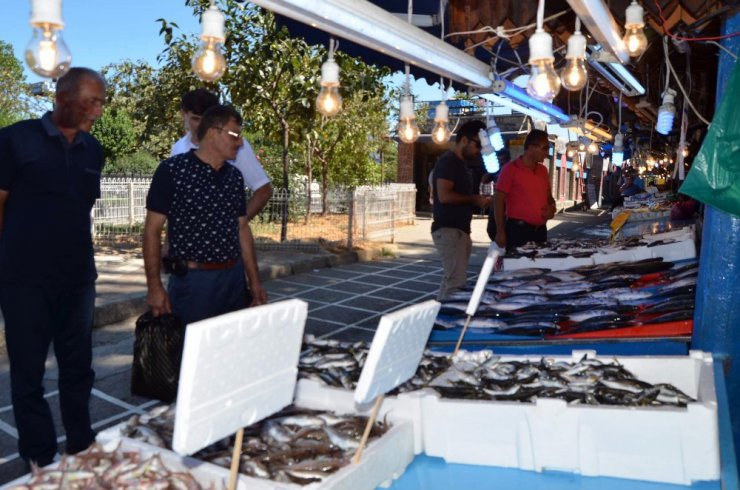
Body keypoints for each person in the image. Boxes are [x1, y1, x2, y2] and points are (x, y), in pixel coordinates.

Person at [0, 67, 107, 468]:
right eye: (90, 102)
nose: (97, 110)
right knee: (28, 374)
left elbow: (79, 209)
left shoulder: (94, 150)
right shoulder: (14, 139)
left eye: (100, 102)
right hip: (23, 280)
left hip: (78, 279)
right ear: (62, 98)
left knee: (79, 369)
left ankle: (81, 445)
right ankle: (40, 455)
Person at [144, 105, 268, 325]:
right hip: (193, 284)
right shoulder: (172, 171)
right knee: (192, 356)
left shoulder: (234, 177)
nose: (239, 142)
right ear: (213, 133)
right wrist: (154, 287)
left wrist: (254, 282)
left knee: (231, 352)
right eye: (235, 135)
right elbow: (152, 230)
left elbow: (242, 228)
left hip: (233, 280)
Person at [172, 89, 273, 221]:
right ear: (183, 114)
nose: (201, 126)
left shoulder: (235, 146)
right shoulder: (177, 148)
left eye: (206, 120)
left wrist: (237, 226)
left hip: (223, 238)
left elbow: (264, 190)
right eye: (195, 119)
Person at [431, 119, 491, 300]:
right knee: (456, 284)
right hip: (449, 231)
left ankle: (439, 319)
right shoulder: (449, 162)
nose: (479, 150)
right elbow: (444, 196)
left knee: (452, 281)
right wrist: (475, 199)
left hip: (458, 232)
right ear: (464, 140)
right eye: (478, 145)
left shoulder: (459, 164)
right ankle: (445, 326)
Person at [493, 129, 556, 252]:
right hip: (518, 231)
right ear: (532, 147)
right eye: (545, 148)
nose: (547, 153)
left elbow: (549, 197)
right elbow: (498, 200)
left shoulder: (543, 171)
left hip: (540, 231)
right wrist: (500, 231)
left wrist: (552, 208)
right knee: (519, 269)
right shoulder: (510, 169)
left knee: (538, 269)